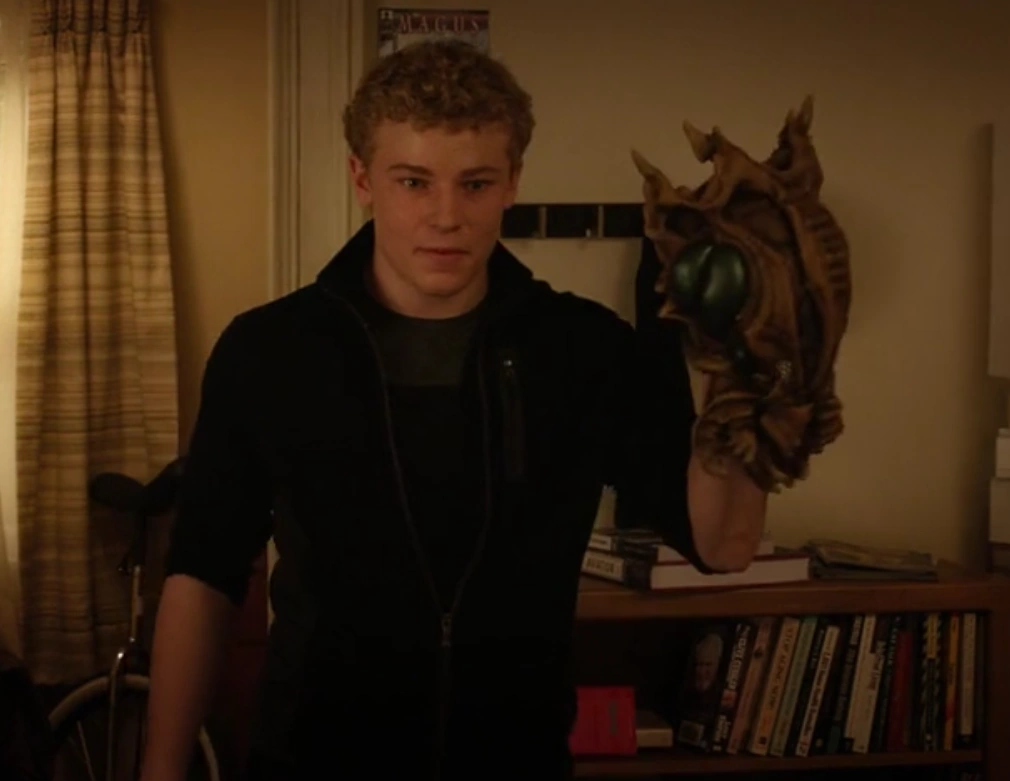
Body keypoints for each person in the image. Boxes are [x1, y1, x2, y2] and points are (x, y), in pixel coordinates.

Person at [140, 39, 768, 781]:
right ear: (362, 178)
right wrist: (161, 773)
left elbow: (724, 542)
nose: (447, 217)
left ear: (512, 182)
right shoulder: (270, 350)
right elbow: (204, 573)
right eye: (414, 181)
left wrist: (740, 370)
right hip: (311, 759)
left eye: (475, 184)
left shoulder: (587, 350)